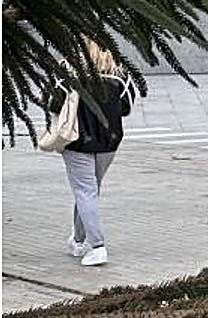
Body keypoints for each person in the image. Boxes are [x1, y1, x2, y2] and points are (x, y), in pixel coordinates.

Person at [46, 39, 136, 267]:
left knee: (86, 192)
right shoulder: (117, 73)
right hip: (109, 143)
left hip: (77, 142)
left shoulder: (67, 70)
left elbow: (52, 103)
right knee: (89, 192)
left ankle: (98, 247)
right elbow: (126, 107)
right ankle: (77, 241)